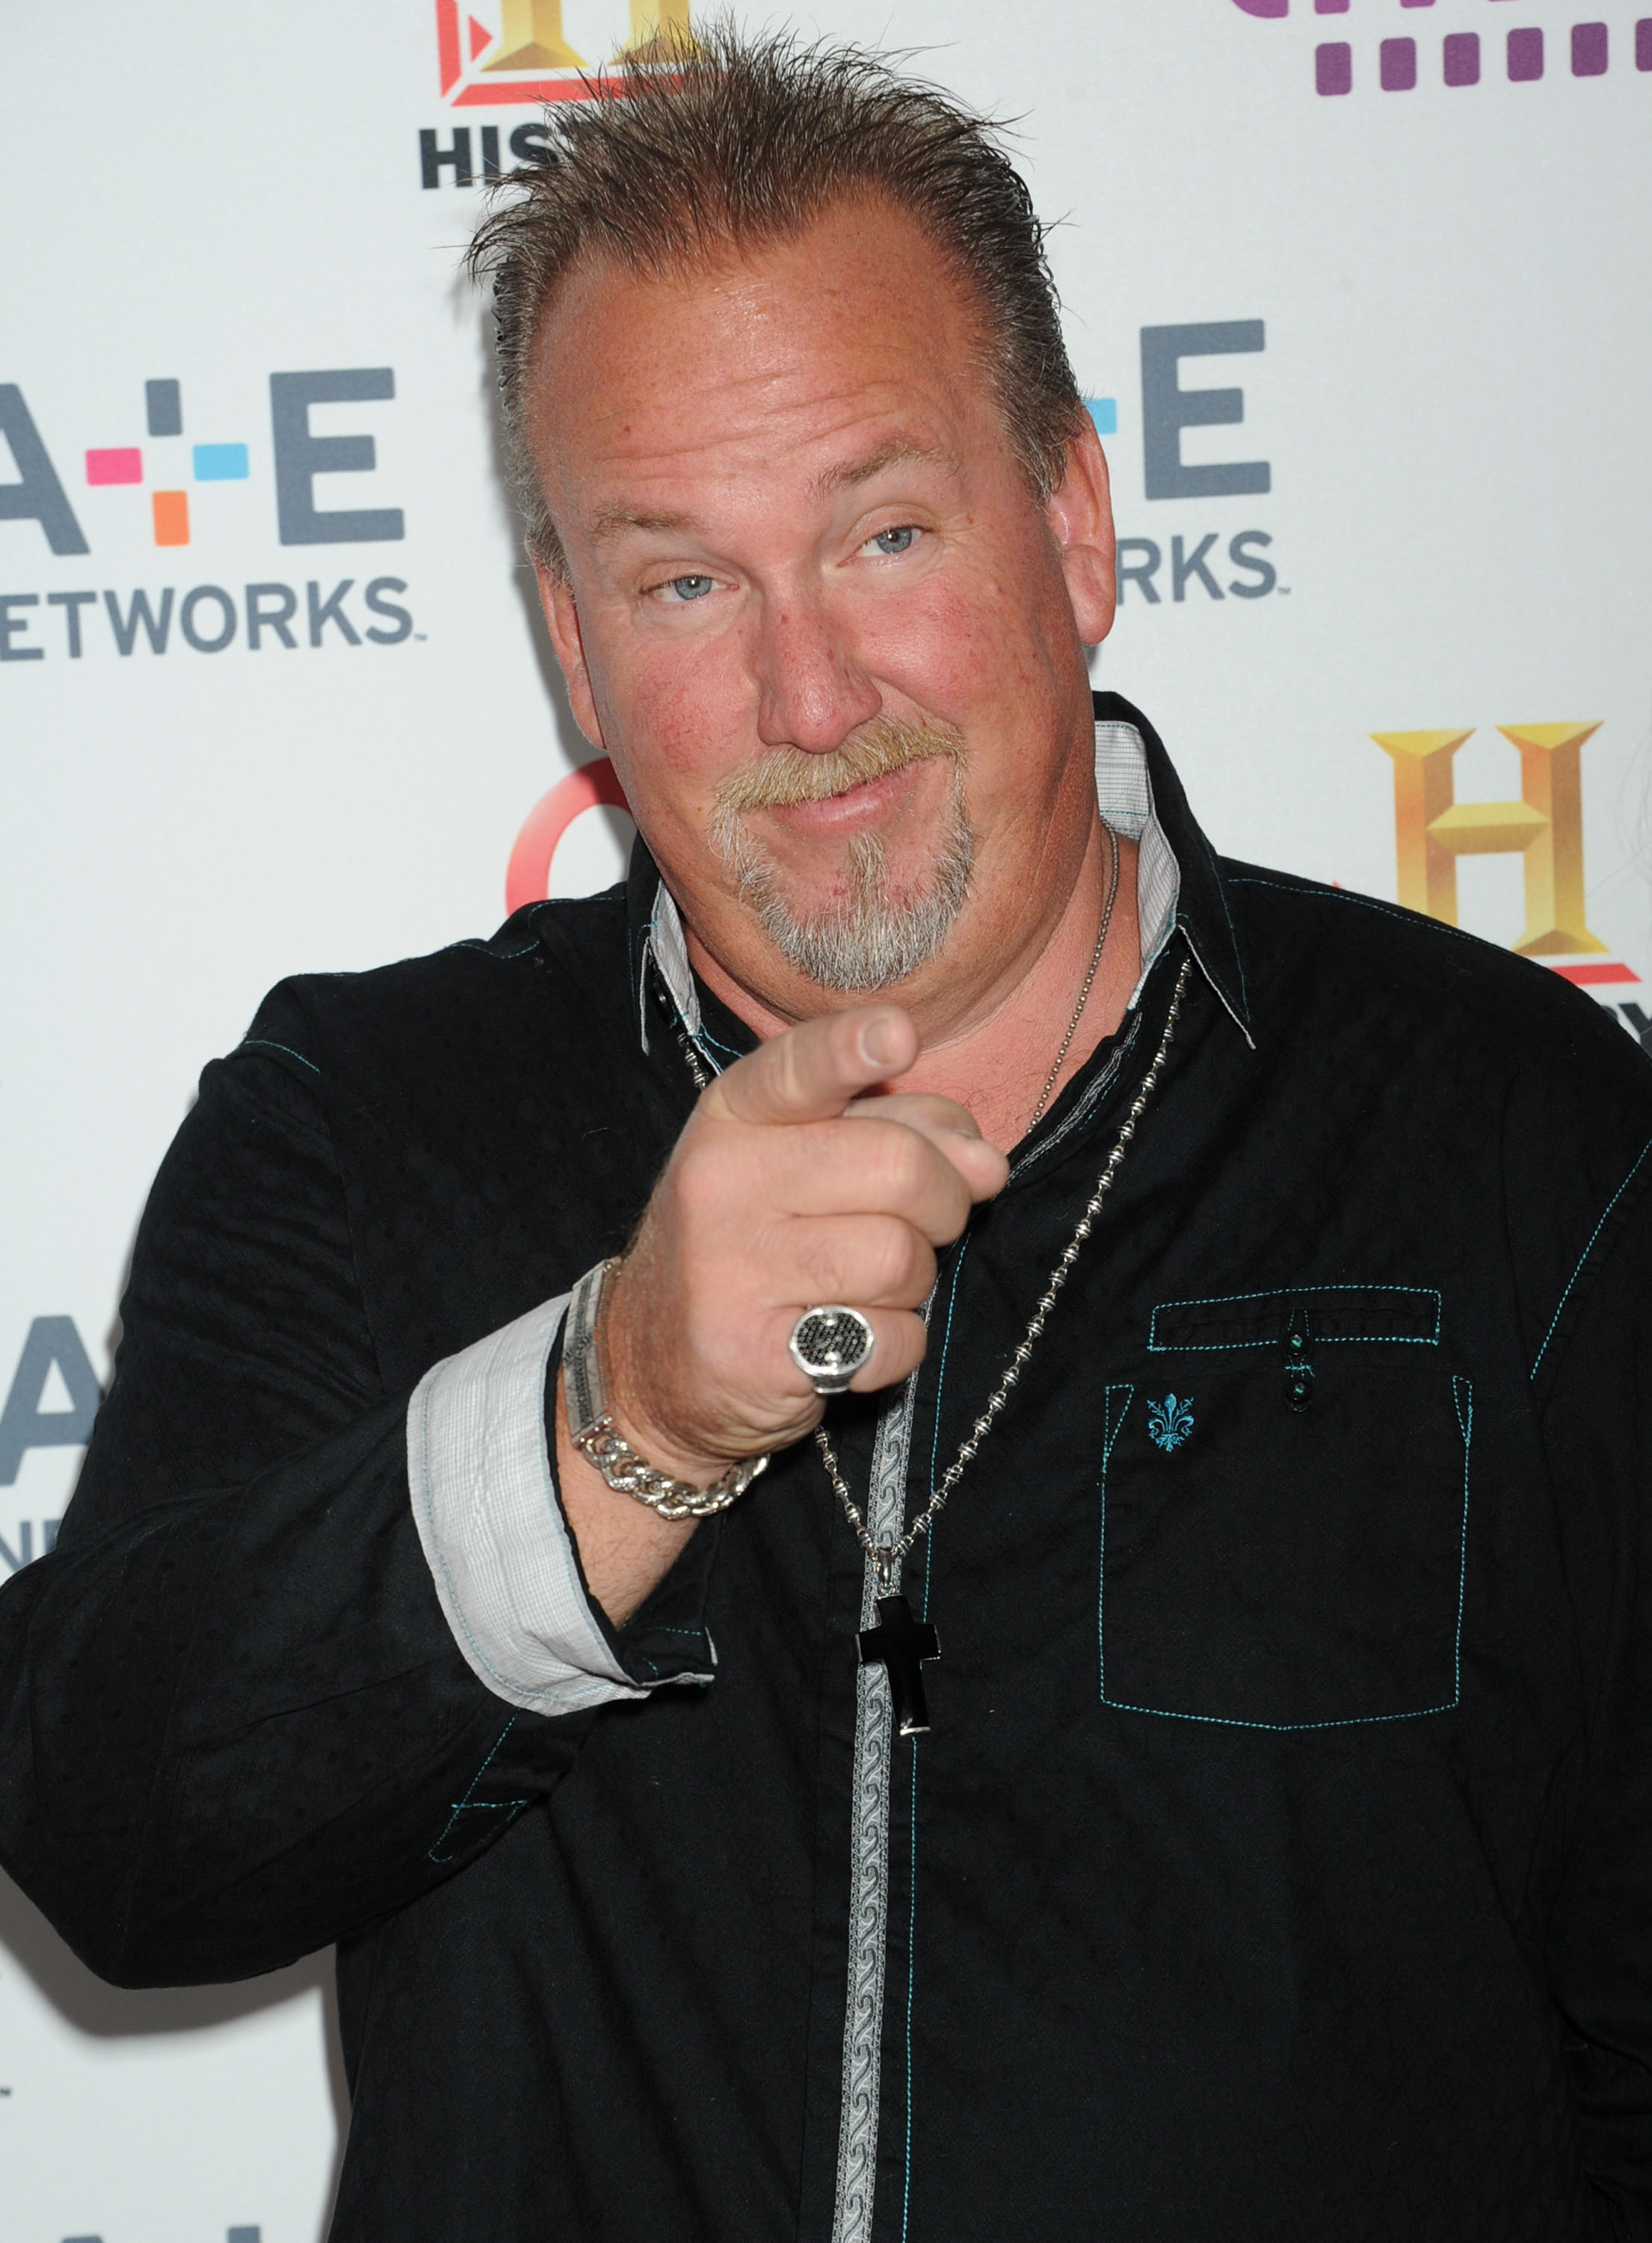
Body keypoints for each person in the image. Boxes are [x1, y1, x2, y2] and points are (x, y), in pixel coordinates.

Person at [3, 27, 1651, 2240]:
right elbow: (121, 1841)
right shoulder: (356, 1128)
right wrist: (622, 1415)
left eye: (880, 532)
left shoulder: (1515, 1130)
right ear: (573, 649)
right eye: (684, 582)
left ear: (1072, 521)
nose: (807, 699)